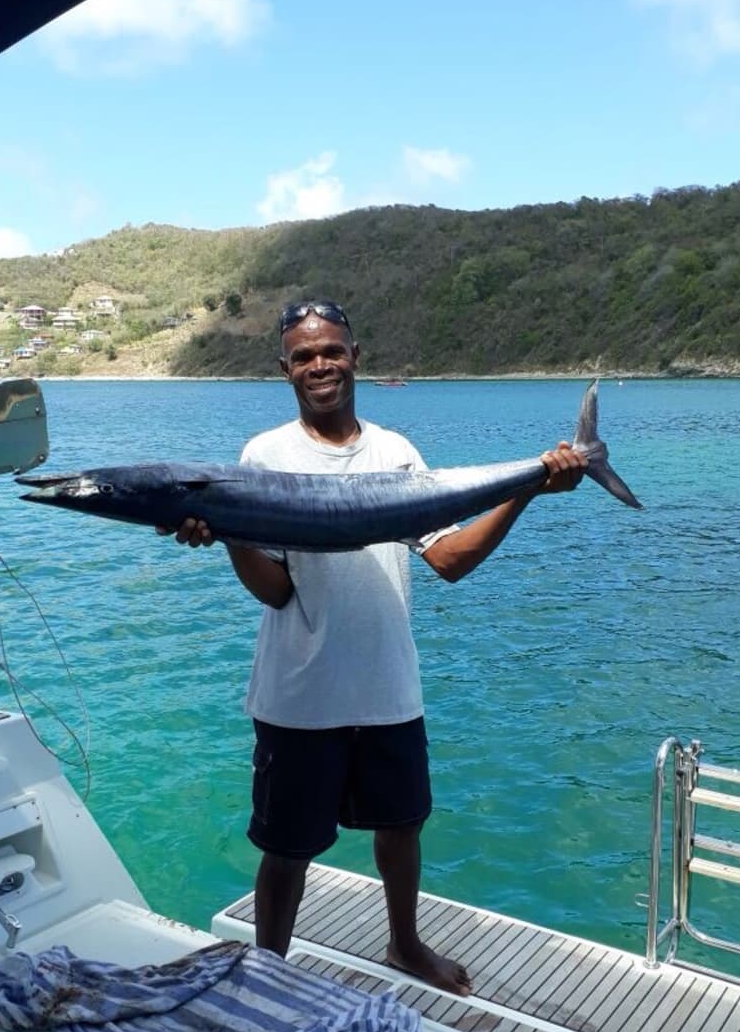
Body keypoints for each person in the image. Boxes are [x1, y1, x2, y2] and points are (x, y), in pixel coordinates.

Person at [161, 300, 586, 995]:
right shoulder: (263, 458)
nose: (319, 364)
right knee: (285, 848)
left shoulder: (396, 453)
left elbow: (447, 558)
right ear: (284, 369)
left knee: (401, 827)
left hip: (387, 685)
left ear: (355, 355)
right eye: (303, 356)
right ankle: (270, 969)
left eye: (330, 350)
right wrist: (228, 529)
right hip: (299, 694)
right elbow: (274, 590)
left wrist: (530, 488)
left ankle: (405, 944)